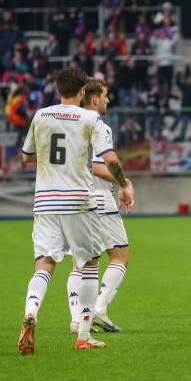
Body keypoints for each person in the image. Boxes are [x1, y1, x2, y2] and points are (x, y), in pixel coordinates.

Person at [18, 67, 133, 354]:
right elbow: (110, 158)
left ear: (58, 89)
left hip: (44, 200)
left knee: (44, 263)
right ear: (82, 91)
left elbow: (26, 157)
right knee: (90, 263)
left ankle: (31, 311)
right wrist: (124, 183)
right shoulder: (90, 118)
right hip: (78, 201)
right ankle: (83, 334)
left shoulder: (41, 115)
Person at [67, 78, 135, 335]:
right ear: (95, 98)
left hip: (73, 198)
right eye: (105, 95)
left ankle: (76, 319)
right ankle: (99, 308)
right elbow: (97, 166)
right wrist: (125, 182)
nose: (108, 100)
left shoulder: (68, 122)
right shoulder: (96, 124)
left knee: (79, 262)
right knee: (120, 255)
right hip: (98, 197)